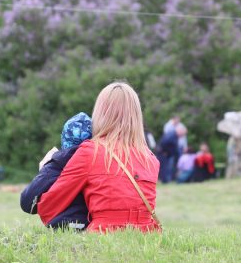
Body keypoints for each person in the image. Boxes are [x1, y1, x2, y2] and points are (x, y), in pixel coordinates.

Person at [37, 82, 161, 233]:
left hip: (102, 236)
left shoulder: (89, 152)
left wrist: (45, 170)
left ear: (101, 112)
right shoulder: (151, 159)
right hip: (147, 238)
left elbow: (48, 209)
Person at [20, 112, 93, 230]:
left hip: (61, 227)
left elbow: (26, 202)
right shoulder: (99, 162)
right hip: (92, 226)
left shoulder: (56, 165)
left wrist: (44, 169)